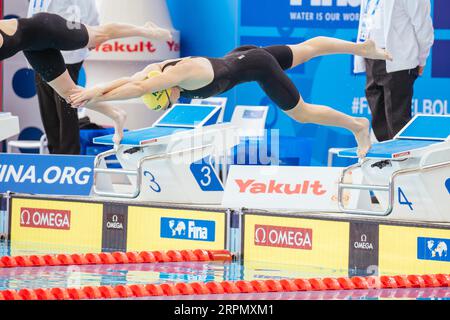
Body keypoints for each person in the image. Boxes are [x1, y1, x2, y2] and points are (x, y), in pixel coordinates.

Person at [69, 38, 392, 158]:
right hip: (240, 56)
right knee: (308, 49)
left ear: (164, 89)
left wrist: (93, 92)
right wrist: (94, 92)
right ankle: (361, 47)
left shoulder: (177, 74)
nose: (176, 100)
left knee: (302, 113)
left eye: (170, 99)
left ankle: (358, 125)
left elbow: (137, 89)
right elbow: (131, 82)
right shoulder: (155, 73)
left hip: (256, 65)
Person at [0, 11, 172, 138]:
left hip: (44, 27)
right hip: (33, 48)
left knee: (99, 35)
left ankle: (147, 31)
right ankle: (116, 114)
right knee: (71, 96)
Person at [355, 0, 434, 142]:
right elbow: (367, 20)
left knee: (397, 121)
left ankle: (402, 161)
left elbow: (423, 27)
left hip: (397, 59)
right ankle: (385, 161)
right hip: (372, 55)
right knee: (379, 120)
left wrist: (422, 58)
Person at [28, 0, 100, 155]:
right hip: (39, 53)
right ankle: (55, 156)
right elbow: (31, 19)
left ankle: (70, 158)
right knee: (48, 110)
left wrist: (90, 36)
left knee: (66, 108)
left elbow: (91, 17)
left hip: (68, 55)